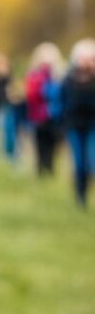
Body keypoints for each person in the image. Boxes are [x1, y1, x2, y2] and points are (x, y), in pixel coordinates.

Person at [61, 38, 95, 207]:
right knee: (79, 163)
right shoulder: (68, 79)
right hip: (74, 126)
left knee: (92, 161)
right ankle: (80, 197)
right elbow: (63, 102)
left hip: (92, 126)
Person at [24, 42, 65, 177]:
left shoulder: (59, 76)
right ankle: (40, 169)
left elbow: (61, 95)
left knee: (52, 145)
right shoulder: (34, 75)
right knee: (40, 144)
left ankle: (50, 169)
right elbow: (32, 95)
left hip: (54, 116)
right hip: (38, 116)